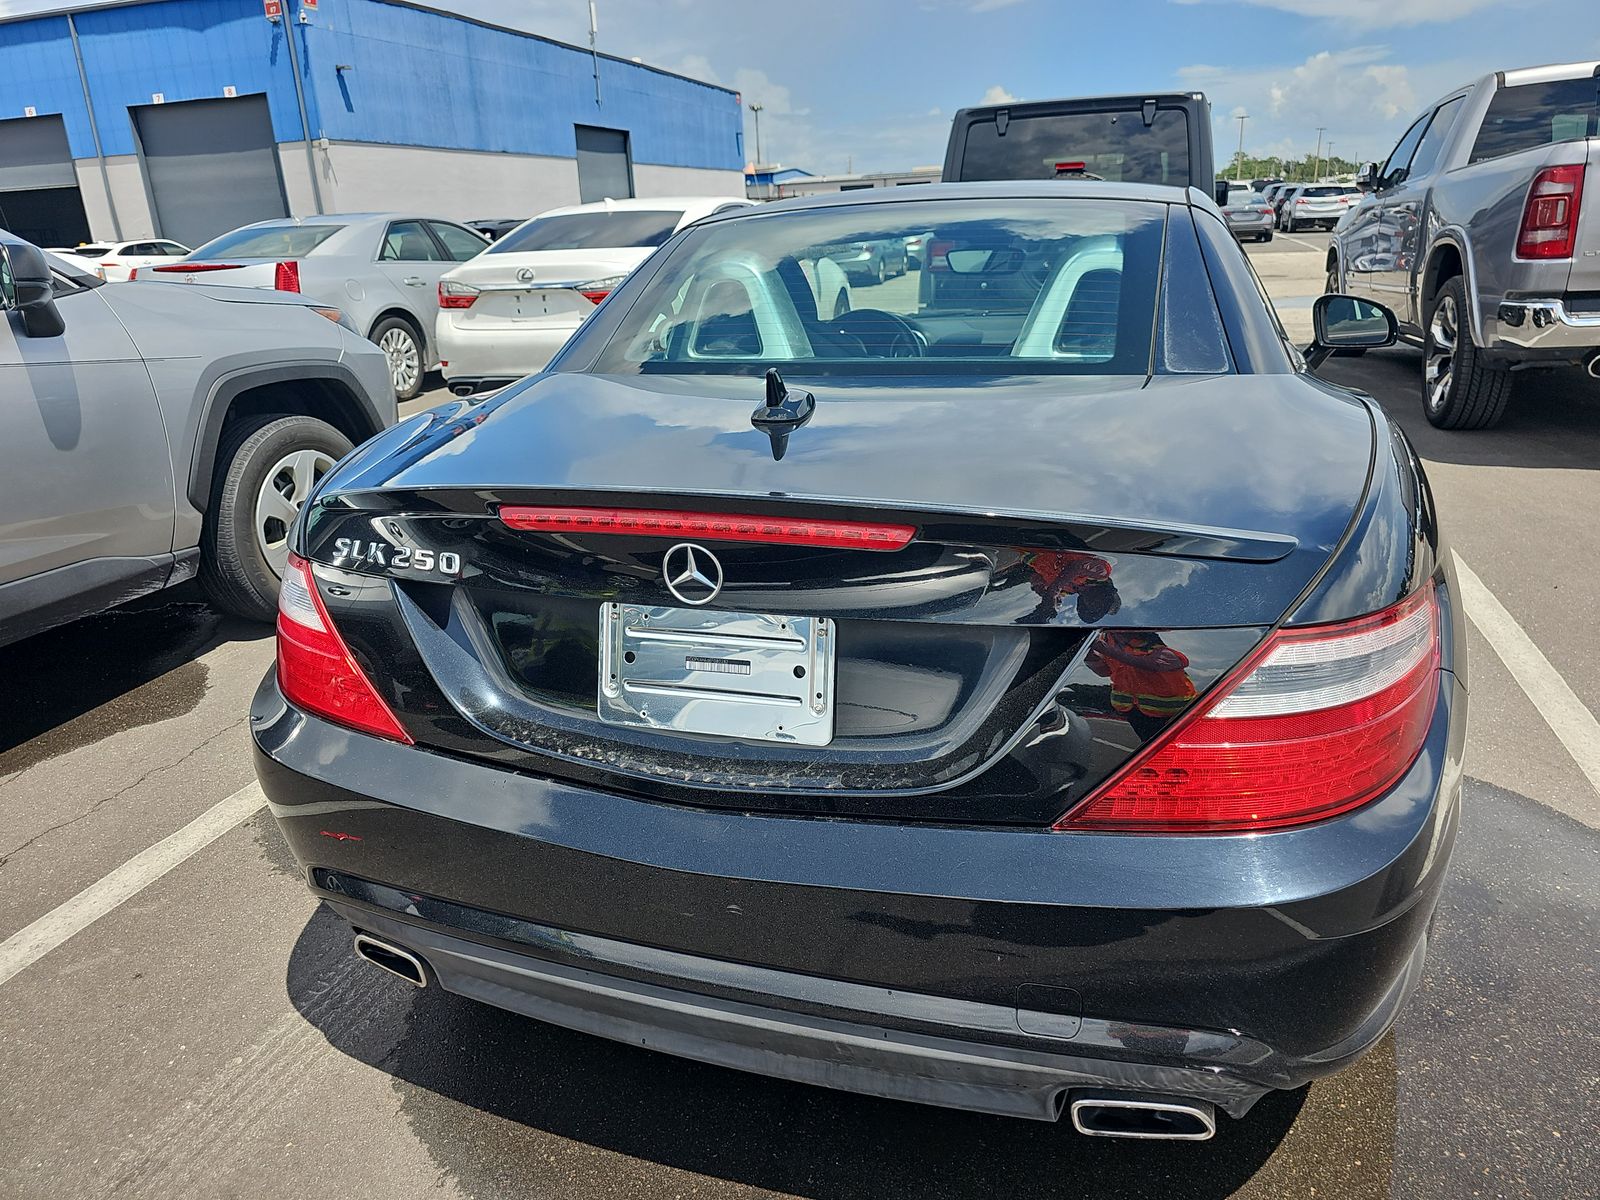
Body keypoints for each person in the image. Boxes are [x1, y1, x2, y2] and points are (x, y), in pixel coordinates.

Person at [1085, 631, 1197, 742]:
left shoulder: (1162, 650)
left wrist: (1103, 648)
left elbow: (1148, 664)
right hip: (1133, 712)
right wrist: (1089, 656)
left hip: (1174, 715)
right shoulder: (1107, 641)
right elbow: (1105, 671)